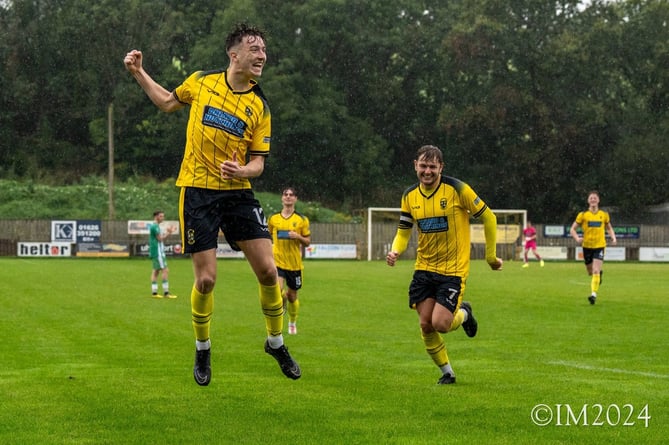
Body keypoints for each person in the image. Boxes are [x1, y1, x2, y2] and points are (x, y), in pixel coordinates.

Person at [124, 23, 301, 386]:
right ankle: (202, 348)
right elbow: (167, 102)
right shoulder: (202, 82)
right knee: (205, 280)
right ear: (234, 54)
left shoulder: (259, 106)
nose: (262, 55)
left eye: (264, 49)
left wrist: (242, 170)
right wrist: (139, 72)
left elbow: (259, 163)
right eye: (255, 48)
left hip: (237, 192)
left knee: (269, 272)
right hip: (198, 192)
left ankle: (275, 341)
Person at [386, 145, 503, 385]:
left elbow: (489, 216)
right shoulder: (409, 196)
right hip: (424, 269)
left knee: (441, 323)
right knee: (426, 325)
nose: (427, 171)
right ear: (415, 165)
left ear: (441, 167)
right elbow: (403, 231)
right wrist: (395, 250)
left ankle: (465, 313)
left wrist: (491, 258)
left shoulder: (458, 189)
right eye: (423, 166)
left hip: (453, 271)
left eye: (432, 167)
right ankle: (447, 373)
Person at [268, 187, 311, 335]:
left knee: (292, 296)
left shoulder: (301, 220)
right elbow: (267, 237)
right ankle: (280, 310)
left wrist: (298, 237)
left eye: (291, 195)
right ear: (282, 198)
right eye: (285, 194)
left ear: (295, 199)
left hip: (294, 264)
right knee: (277, 292)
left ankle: (292, 322)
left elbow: (308, 242)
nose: (288, 197)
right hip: (277, 262)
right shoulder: (273, 219)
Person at [569, 190, 617, 305]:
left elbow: (609, 228)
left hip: (599, 246)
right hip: (587, 247)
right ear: (588, 201)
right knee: (590, 272)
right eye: (591, 198)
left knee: (595, 270)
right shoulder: (583, 215)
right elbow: (572, 229)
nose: (593, 200)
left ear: (598, 200)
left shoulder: (604, 215)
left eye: (595, 198)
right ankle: (598, 275)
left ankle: (593, 295)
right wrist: (577, 238)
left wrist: (613, 238)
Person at [148, 210, 177, 299]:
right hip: (158, 251)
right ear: (156, 216)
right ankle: (166, 292)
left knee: (156, 271)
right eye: (161, 216)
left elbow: (160, 237)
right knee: (165, 270)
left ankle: (154, 293)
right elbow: (160, 239)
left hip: (158, 251)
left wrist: (168, 232)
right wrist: (169, 232)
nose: (162, 218)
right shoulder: (155, 227)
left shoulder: (156, 226)